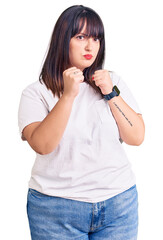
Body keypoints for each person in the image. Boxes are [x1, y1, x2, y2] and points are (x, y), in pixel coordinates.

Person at [18, 5, 145, 240]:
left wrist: (110, 93)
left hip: (119, 204)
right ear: (62, 40)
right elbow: (43, 145)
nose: (90, 46)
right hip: (55, 210)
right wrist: (67, 95)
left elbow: (136, 137)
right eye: (81, 37)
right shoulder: (35, 93)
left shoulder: (112, 82)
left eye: (96, 38)